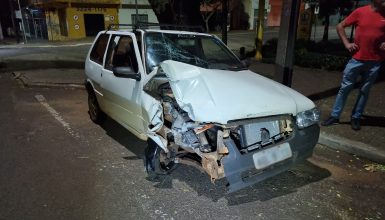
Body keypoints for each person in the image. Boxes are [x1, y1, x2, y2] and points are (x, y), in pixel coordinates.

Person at [322, 0, 385, 130]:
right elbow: (340, 26)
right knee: (345, 89)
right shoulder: (360, 11)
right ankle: (335, 116)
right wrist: (347, 44)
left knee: (364, 91)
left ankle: (356, 117)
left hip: (375, 61)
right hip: (356, 60)